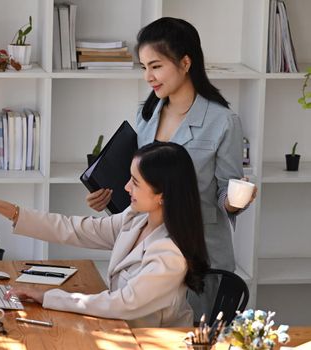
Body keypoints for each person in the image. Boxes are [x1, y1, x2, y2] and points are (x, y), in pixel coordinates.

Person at [85, 17, 257, 318]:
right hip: (149, 252)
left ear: (185, 62)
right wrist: (110, 197)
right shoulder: (146, 113)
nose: (148, 77)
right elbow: (144, 183)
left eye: (156, 66)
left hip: (197, 255)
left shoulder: (223, 122)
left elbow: (223, 196)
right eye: (143, 67)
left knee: (191, 337)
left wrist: (233, 200)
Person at [0, 142, 209, 327]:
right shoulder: (136, 218)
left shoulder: (169, 254)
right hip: (119, 329)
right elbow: (73, 229)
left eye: (136, 182)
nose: (126, 187)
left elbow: (121, 304)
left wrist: (45, 295)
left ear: (162, 194)